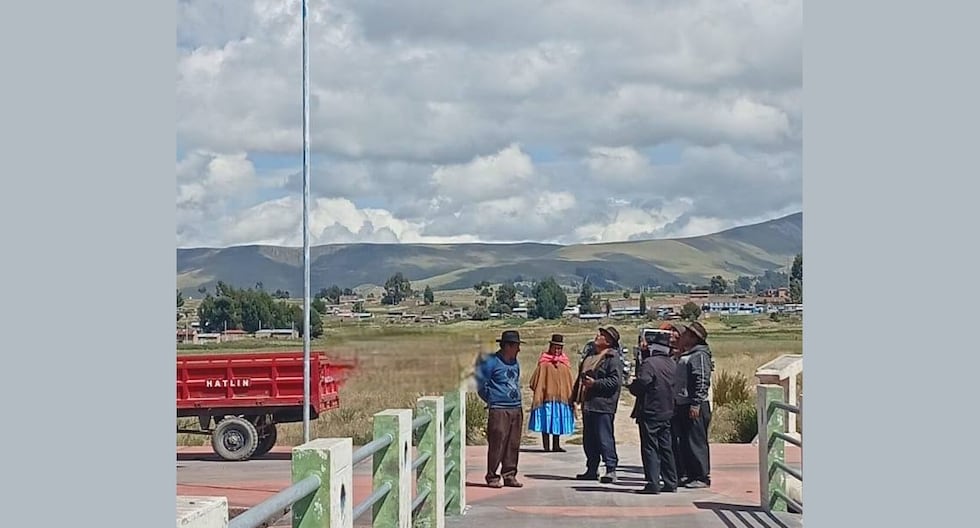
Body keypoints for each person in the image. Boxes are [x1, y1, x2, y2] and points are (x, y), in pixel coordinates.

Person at [628, 329, 678, 494]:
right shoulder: (672, 363)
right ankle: (671, 482)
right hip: (668, 411)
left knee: (650, 447)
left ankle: (653, 483)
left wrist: (631, 385)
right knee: (666, 447)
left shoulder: (649, 364)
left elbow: (643, 383)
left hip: (650, 411)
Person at [571, 326, 624, 483]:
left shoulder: (611, 358)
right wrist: (575, 397)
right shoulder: (590, 356)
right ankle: (592, 468)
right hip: (589, 403)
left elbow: (615, 382)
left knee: (604, 438)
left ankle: (611, 468)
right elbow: (580, 379)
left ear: (608, 341)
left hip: (603, 405)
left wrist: (595, 384)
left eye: (601, 335)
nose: (597, 336)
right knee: (589, 439)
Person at [475, 330, 525, 488]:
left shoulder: (515, 362)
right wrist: (491, 399)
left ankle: (509, 474)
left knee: (513, 443)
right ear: (508, 346)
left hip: (515, 408)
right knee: (497, 442)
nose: (519, 349)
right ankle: (492, 476)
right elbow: (481, 384)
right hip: (499, 409)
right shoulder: (491, 362)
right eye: (516, 346)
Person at [673, 321, 714, 488]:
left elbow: (702, 380)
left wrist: (696, 403)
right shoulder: (687, 354)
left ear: (694, 338)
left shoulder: (700, 355)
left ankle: (701, 476)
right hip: (683, 404)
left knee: (696, 441)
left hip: (694, 405)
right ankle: (690, 474)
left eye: (687, 334)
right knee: (686, 441)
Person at [528, 334, 576, 452]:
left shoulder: (564, 364)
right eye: (555, 347)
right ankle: (546, 446)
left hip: (561, 400)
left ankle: (556, 445)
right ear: (551, 347)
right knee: (546, 421)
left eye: (559, 348)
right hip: (546, 400)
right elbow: (534, 381)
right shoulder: (544, 363)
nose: (557, 350)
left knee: (557, 421)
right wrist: (542, 390)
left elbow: (569, 382)